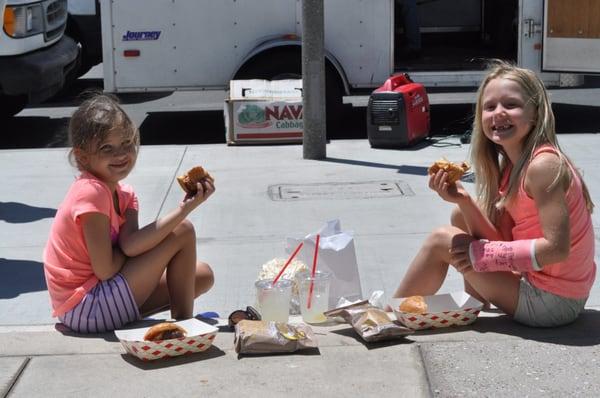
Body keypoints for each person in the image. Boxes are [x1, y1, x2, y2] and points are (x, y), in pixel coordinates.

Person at [391, 60, 595, 327]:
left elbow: (557, 249)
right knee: (460, 214)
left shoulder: (543, 166)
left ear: (535, 114)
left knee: (442, 240)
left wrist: (482, 255)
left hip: (554, 301)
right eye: (489, 107)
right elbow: (501, 238)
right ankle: (474, 299)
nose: (498, 113)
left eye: (511, 105)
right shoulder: (513, 166)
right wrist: (462, 198)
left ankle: (388, 319)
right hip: (542, 286)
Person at [43, 94, 215, 333]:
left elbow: (132, 246)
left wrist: (185, 207)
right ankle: (185, 328)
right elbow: (105, 268)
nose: (121, 154)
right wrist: (129, 252)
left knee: (202, 275)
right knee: (183, 230)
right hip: (83, 307)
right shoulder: (91, 191)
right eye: (107, 148)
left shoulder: (125, 194)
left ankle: (179, 325)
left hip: (101, 298)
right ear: (82, 156)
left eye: (127, 143)